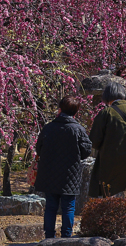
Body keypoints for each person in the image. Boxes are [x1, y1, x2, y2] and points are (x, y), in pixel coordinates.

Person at [34, 95, 93, 239]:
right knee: (68, 207)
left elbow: (39, 148)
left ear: (59, 110)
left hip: (49, 173)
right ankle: (67, 237)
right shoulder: (78, 129)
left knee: (51, 207)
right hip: (70, 174)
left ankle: (49, 237)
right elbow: (86, 151)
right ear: (76, 112)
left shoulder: (48, 128)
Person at [88, 80, 126, 206]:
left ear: (107, 97)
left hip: (110, 159)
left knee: (109, 192)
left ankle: (111, 222)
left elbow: (94, 140)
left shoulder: (106, 113)